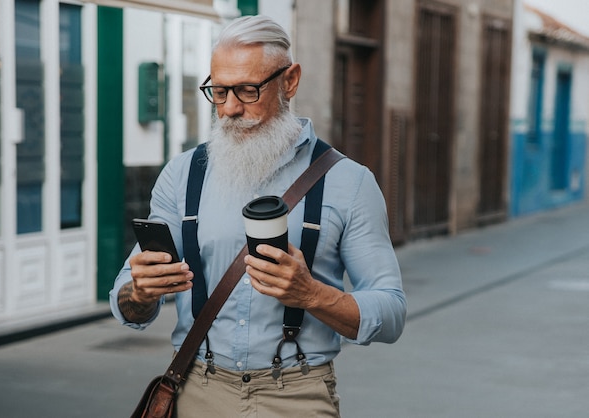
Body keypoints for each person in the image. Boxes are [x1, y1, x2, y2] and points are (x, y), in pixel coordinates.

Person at [110, 14, 406, 417]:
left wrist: (312, 294)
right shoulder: (182, 175)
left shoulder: (349, 182)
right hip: (197, 387)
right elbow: (128, 302)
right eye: (218, 90)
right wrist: (142, 292)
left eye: (248, 90)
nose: (230, 108)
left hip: (297, 395)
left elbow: (390, 313)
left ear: (290, 81)